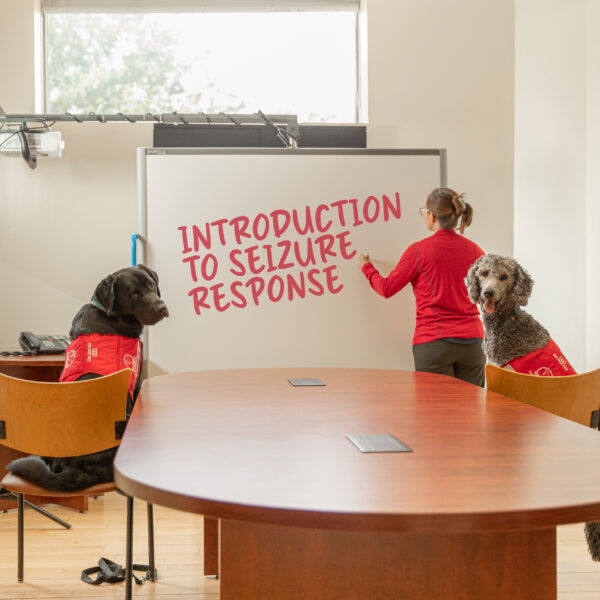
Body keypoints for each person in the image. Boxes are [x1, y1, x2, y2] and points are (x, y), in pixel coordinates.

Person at [358, 187, 486, 387]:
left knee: (435, 415)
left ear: (433, 216)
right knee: (469, 414)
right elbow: (485, 297)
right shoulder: (476, 250)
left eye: (425, 211)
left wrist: (367, 268)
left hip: (434, 344)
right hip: (473, 343)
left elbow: (386, 288)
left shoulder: (418, 251)